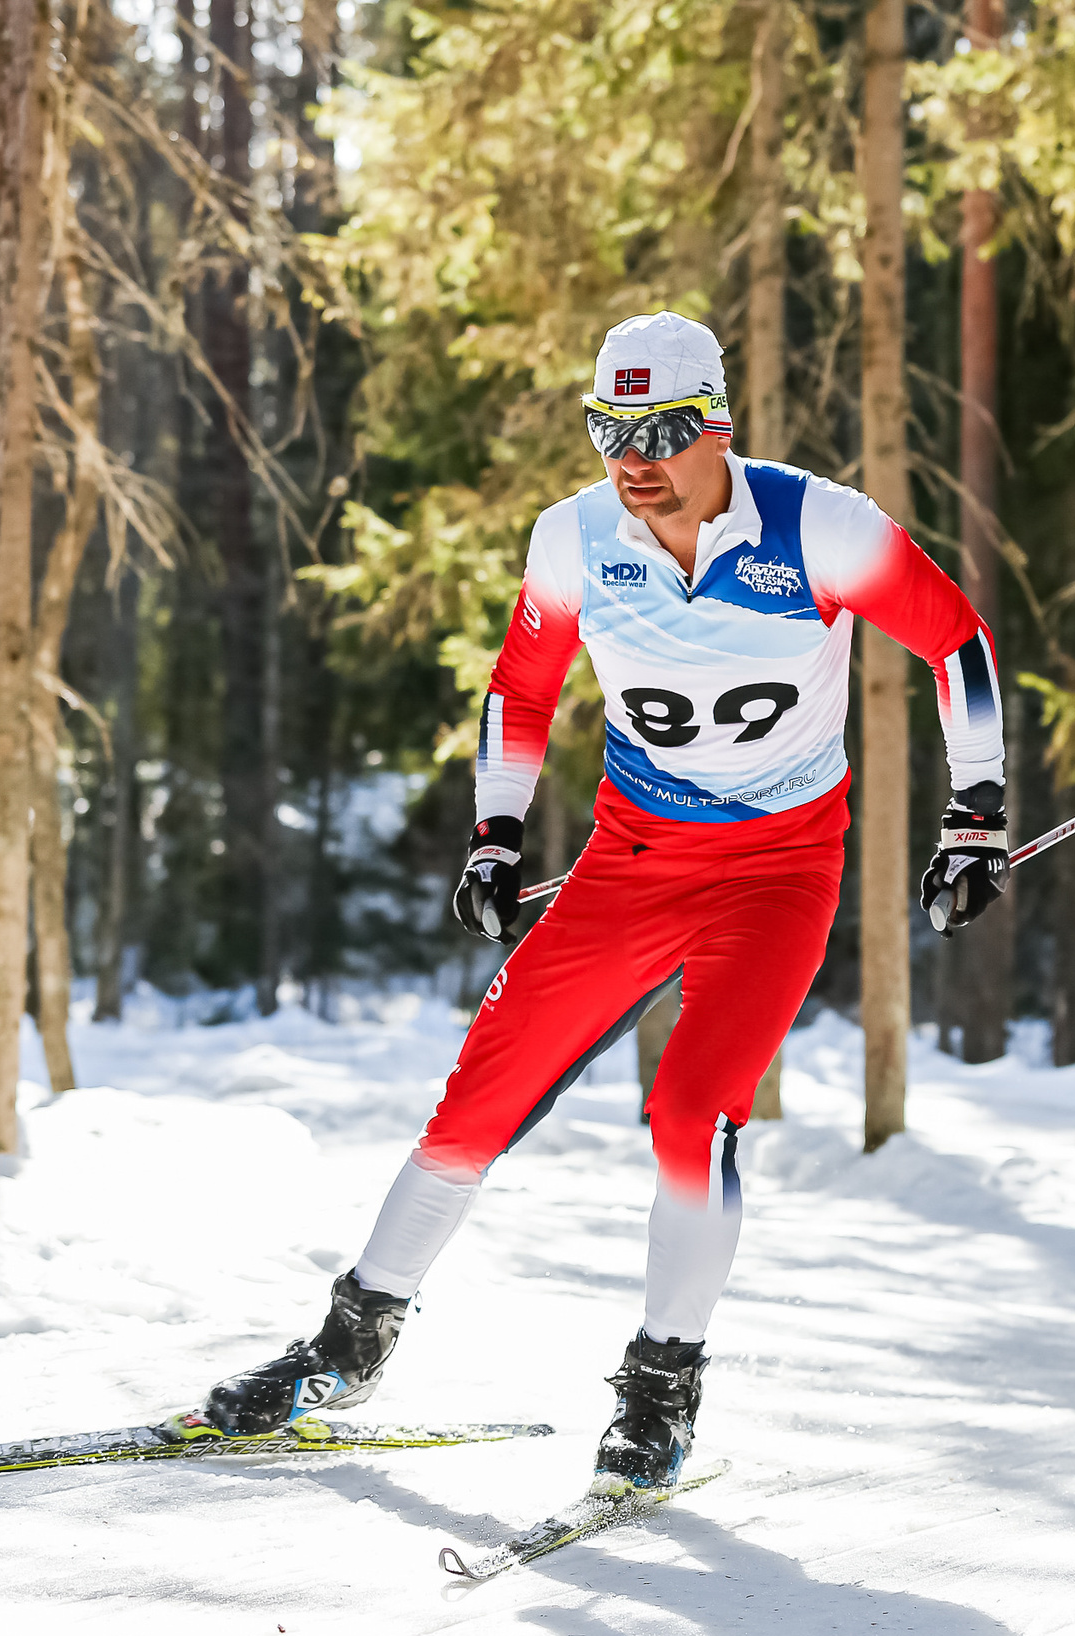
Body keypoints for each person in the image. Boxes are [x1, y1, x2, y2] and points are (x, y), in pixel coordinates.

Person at [189, 312, 1009, 1493]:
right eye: (609, 429)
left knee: (692, 1112)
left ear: (717, 426)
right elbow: (521, 688)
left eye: (663, 430)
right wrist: (492, 836)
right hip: (630, 860)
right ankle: (349, 1343)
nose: (635, 457)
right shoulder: (574, 538)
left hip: (778, 875)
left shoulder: (820, 527)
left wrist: (972, 813)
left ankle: (660, 1387)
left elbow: (957, 641)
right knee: (481, 1098)